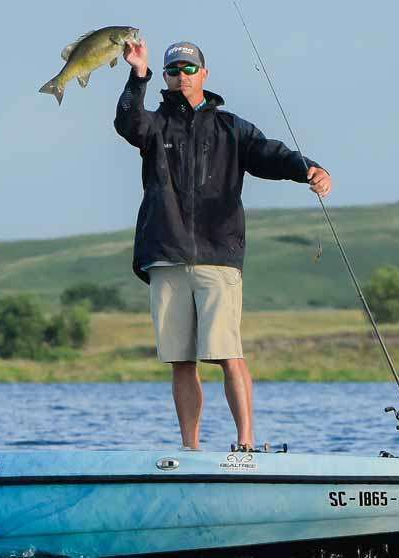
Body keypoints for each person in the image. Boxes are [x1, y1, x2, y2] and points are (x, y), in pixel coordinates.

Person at [114, 39, 333, 451]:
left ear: (204, 74)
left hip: (219, 256)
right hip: (166, 254)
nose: (181, 76)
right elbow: (128, 122)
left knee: (228, 354)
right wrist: (137, 74)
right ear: (165, 77)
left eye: (189, 69)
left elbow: (271, 155)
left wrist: (310, 169)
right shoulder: (154, 125)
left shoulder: (232, 128)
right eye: (173, 70)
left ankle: (246, 445)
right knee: (181, 360)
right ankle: (190, 449)